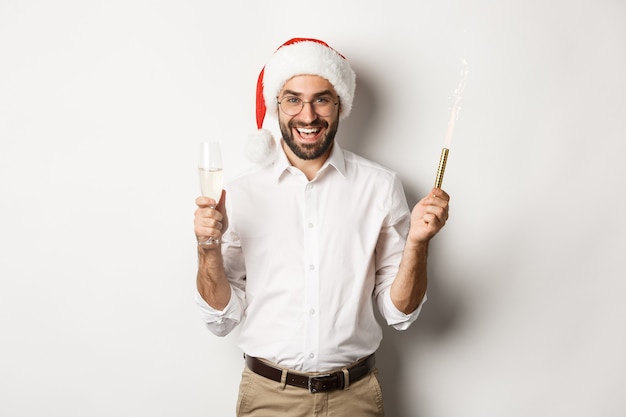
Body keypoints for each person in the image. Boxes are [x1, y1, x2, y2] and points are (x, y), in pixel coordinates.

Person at [193, 38, 450, 417]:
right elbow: (221, 318)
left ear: (340, 104)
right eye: (293, 99)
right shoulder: (242, 192)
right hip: (268, 398)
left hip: (355, 398)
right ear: (276, 106)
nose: (308, 116)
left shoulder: (379, 187)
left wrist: (417, 243)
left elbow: (400, 314)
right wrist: (207, 249)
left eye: (322, 99)